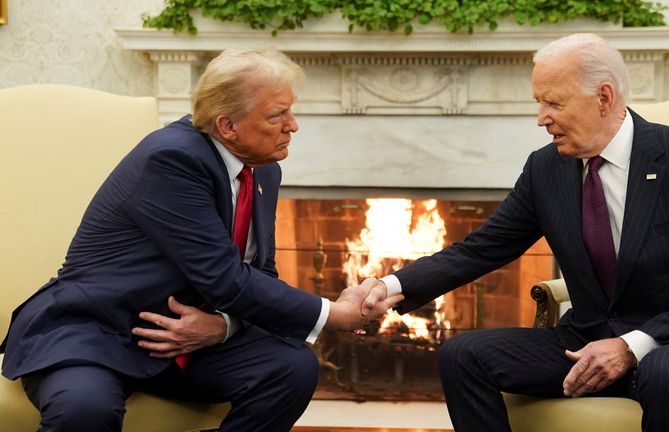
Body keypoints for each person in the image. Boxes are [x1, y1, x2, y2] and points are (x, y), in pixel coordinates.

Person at [361, 33, 669, 432]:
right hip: (585, 341)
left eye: (554, 102)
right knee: (462, 354)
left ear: (604, 98)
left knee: (665, 375)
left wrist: (630, 345)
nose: (541, 117)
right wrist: (391, 285)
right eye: (539, 101)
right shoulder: (545, 169)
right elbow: (481, 249)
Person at [0, 49, 401, 432]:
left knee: (291, 367)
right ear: (227, 125)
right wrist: (336, 314)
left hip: (181, 343)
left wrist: (223, 327)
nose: (293, 125)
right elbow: (225, 278)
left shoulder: (261, 171)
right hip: (98, 332)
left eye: (290, 110)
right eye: (278, 114)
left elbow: (260, 272)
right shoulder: (172, 159)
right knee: (84, 412)